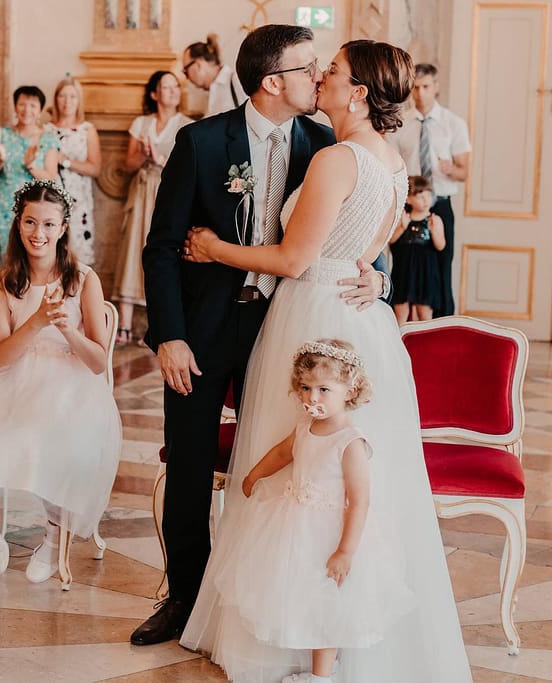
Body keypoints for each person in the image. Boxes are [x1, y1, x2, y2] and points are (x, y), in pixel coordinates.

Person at [178, 39, 471, 680]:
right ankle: (345, 636)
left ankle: (284, 637)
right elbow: (371, 249)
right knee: (340, 475)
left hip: (312, 313)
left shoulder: (338, 158)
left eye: (332, 70)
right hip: (362, 322)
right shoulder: (391, 162)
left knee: (301, 471)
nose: (321, 77)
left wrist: (212, 248)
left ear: (358, 92)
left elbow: (293, 259)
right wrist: (379, 279)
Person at [134, 24, 386, 647]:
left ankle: (259, 607)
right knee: (190, 464)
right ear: (273, 82)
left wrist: (378, 275)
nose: (319, 75)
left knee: (279, 461)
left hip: (284, 331)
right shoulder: (201, 142)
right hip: (204, 330)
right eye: (308, 67)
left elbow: (358, 226)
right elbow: (162, 247)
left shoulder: (324, 144)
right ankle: (185, 599)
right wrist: (169, 336)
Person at [0, 179, 120, 581]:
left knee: (47, 442)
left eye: (48, 224)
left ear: (63, 228)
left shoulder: (83, 280)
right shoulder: (2, 283)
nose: (38, 233)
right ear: (18, 224)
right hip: (8, 379)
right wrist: (37, 321)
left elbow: (98, 362)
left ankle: (52, 539)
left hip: (69, 384)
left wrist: (66, 329)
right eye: (30, 222)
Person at [209, 340, 415, 682]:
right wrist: (255, 474)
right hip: (292, 525)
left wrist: (345, 550)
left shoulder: (351, 441)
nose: (311, 397)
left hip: (330, 533)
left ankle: (321, 676)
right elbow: (282, 453)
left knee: (327, 606)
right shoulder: (305, 427)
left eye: (323, 389)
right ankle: (306, 662)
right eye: (305, 388)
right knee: (298, 596)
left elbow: (359, 500)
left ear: (350, 390)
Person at [112, 71, 192, 346]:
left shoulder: (188, 125)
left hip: (169, 191)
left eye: (175, 86)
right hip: (143, 188)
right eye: (165, 87)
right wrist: (143, 155)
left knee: (166, 250)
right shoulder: (141, 123)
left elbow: (189, 167)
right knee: (133, 247)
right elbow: (127, 165)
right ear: (154, 93)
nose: (172, 91)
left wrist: (161, 160)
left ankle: (159, 326)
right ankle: (124, 324)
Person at [387, 63, 470, 318]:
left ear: (436, 87)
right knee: (402, 267)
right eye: (415, 87)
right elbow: (390, 165)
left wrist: (450, 169)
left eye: (425, 87)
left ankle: (442, 327)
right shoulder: (400, 123)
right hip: (407, 206)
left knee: (441, 269)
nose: (420, 93)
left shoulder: (453, 124)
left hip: (439, 205)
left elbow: (464, 172)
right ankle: (399, 329)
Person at [0, 86, 60, 259]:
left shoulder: (48, 138)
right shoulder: (1, 135)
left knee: (31, 256)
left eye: (33, 106)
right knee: (5, 256)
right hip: (4, 209)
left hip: (36, 208)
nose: (27, 110)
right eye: (22, 104)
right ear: (15, 107)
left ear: (40, 110)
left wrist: (31, 165)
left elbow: (51, 178)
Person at [44, 76, 102, 265]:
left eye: (72, 96)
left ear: (79, 100)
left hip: (79, 200)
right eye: (62, 96)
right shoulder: (45, 130)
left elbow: (95, 168)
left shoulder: (87, 130)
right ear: (56, 99)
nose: (67, 101)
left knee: (77, 256)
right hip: (51, 197)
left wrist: (65, 161)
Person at [389, 175, 445, 324]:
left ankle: (425, 339)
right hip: (404, 271)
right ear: (408, 199)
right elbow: (391, 241)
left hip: (426, 272)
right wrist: (402, 227)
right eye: (420, 197)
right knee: (400, 314)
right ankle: (399, 337)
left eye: (428, 196)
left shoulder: (434, 219)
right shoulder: (403, 217)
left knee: (425, 315)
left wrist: (434, 232)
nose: (426, 201)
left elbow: (441, 246)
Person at [182, 34, 247, 117]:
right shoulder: (209, 93)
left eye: (186, 71)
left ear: (198, 64)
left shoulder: (237, 80)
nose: (187, 78)